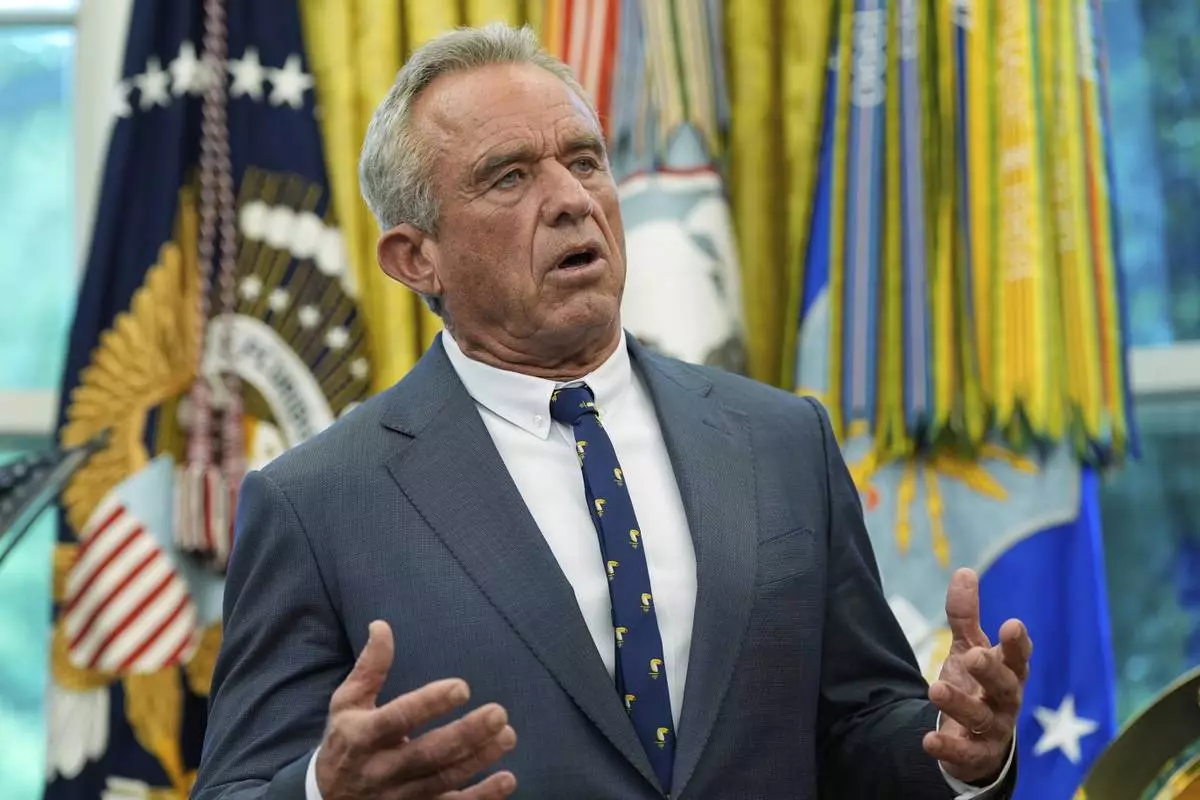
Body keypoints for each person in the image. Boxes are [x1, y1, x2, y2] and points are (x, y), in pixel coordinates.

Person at [192, 23, 1030, 800]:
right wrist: (320, 791)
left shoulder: (782, 442)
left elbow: (857, 726)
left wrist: (961, 753)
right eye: (510, 176)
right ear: (416, 258)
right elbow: (238, 786)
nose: (571, 199)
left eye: (585, 161)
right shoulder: (319, 503)